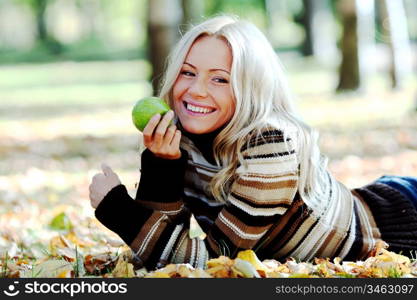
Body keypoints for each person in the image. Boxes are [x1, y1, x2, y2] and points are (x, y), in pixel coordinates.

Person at [89, 15, 417, 270]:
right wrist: (162, 163)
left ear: (251, 88)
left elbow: (217, 262)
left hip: (400, 224)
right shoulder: (185, 138)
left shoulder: (271, 143)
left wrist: (118, 211)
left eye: (220, 79)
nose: (197, 90)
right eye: (188, 73)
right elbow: (157, 248)